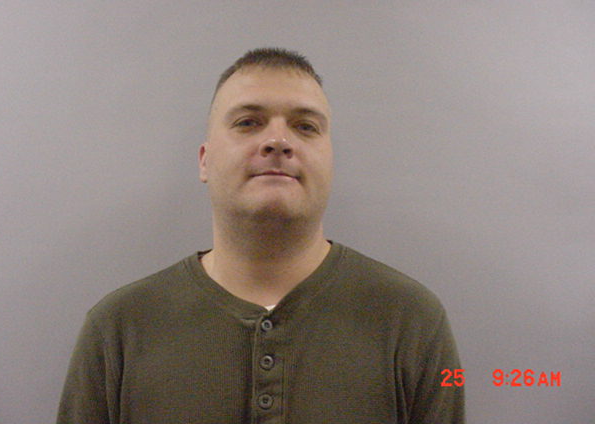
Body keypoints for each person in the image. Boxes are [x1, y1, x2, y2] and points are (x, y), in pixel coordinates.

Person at [57, 48, 465, 423]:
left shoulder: (413, 323)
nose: (278, 141)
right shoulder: (117, 331)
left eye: (305, 126)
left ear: (330, 160)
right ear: (204, 160)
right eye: (248, 122)